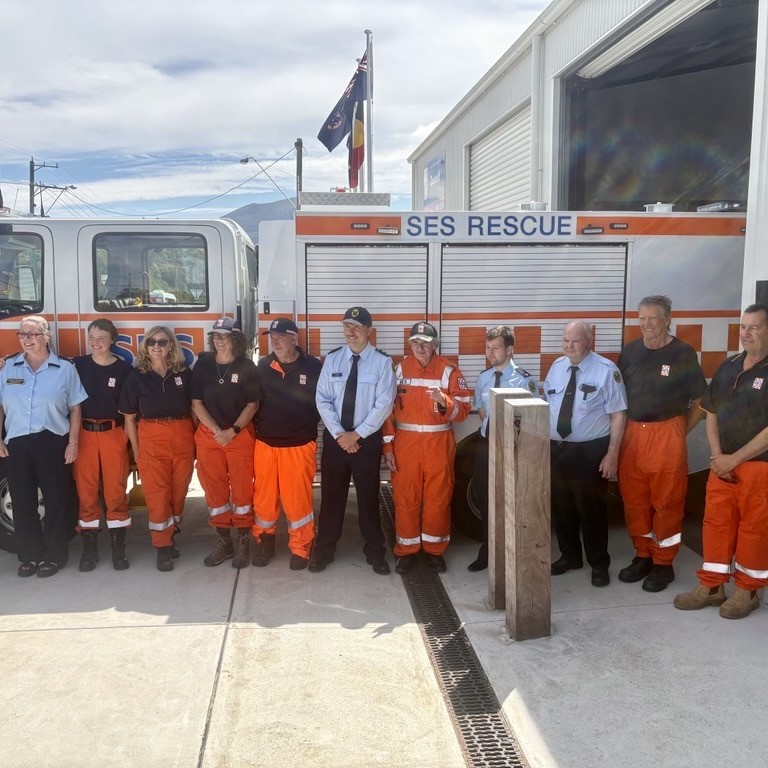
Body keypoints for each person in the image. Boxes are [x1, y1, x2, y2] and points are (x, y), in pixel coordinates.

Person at [674, 304, 768, 619]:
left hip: (758, 466)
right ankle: (712, 587)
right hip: (723, 464)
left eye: (755, 327)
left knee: (754, 529)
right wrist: (717, 457)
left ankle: (748, 592)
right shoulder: (730, 365)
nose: (747, 333)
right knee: (716, 524)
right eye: (744, 326)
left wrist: (734, 459)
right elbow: (710, 410)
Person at [617, 295, 707, 592]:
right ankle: (642, 555)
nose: (646, 324)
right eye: (641, 318)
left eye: (652, 318)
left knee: (667, 501)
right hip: (632, 433)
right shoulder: (630, 352)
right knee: (634, 500)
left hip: (667, 434)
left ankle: (663, 563)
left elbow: (703, 400)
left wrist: (683, 428)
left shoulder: (682, 353)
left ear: (668, 319)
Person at [310, 306, 396, 575]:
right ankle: (324, 550)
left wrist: (356, 435)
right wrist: (340, 434)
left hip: (366, 441)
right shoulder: (333, 360)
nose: (351, 331)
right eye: (347, 326)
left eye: (357, 327)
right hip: (337, 440)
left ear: (369, 330)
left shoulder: (382, 363)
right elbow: (322, 399)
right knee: (331, 498)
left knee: (369, 499)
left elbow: (384, 404)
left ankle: (375, 552)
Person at [0, 315, 87, 577]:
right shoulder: (9, 368)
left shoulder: (64, 369)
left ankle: (54, 555)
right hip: (17, 442)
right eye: (22, 335)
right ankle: (28, 556)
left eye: (32, 334)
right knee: (23, 500)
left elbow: (75, 408)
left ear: (46, 336)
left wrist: (73, 443)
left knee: (56, 500)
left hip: (53, 441)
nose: (26, 340)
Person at [383, 321, 471, 574]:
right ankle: (407, 550)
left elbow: (464, 409)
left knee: (438, 498)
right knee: (405, 497)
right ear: (410, 344)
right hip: (405, 445)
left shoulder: (449, 371)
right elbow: (385, 413)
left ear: (435, 345)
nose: (420, 348)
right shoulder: (398, 369)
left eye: (425, 343)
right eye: (415, 343)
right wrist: (388, 450)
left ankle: (434, 550)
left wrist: (443, 400)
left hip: (438, 445)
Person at [544, 320, 627, 587]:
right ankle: (570, 556)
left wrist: (612, 454)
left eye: (575, 341)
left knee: (591, 511)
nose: (569, 346)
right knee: (561, 507)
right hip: (557, 449)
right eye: (565, 340)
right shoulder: (557, 367)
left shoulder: (606, 370)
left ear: (589, 341)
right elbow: (547, 406)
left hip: (590, 451)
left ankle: (599, 563)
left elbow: (618, 414)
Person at [119, 326, 195, 572]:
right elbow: (129, 417)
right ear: (145, 346)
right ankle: (162, 547)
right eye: (151, 342)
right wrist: (137, 449)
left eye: (162, 342)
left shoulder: (182, 372)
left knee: (178, 492)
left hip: (182, 435)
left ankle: (171, 535)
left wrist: (192, 439)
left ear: (171, 345)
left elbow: (194, 408)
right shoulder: (136, 376)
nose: (156, 346)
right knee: (157, 495)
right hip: (151, 436)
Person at [250, 317, 322, 570]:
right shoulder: (262, 366)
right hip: (266, 445)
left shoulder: (313, 367)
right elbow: (253, 404)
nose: (275, 341)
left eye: (281, 336)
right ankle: (264, 542)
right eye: (272, 337)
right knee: (264, 500)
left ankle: (301, 548)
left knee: (298, 501)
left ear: (295, 338)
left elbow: (323, 403)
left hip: (299, 445)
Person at [466, 325, 538, 572]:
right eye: (487, 348)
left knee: (514, 502)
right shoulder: (484, 378)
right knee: (486, 499)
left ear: (510, 349)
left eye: (495, 348)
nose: (489, 353)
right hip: (487, 445)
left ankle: (513, 555)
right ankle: (488, 552)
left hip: (513, 447)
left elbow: (530, 418)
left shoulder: (525, 380)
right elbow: (482, 410)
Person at [190, 317, 258, 569]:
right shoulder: (203, 365)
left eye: (224, 336)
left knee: (242, 492)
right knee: (215, 490)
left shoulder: (246, 366)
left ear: (235, 339)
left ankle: (242, 541)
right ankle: (223, 541)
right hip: (210, 436)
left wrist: (233, 430)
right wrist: (218, 430)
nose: (219, 340)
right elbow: (196, 402)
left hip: (239, 435)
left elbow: (253, 404)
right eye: (215, 336)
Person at [73, 318, 133, 571]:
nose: (95, 343)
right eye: (91, 337)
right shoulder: (77, 365)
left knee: (115, 492)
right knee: (86, 493)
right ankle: (90, 550)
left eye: (101, 338)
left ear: (112, 341)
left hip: (113, 433)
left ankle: (118, 550)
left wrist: (128, 441)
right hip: (84, 433)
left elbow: (129, 410)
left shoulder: (124, 370)